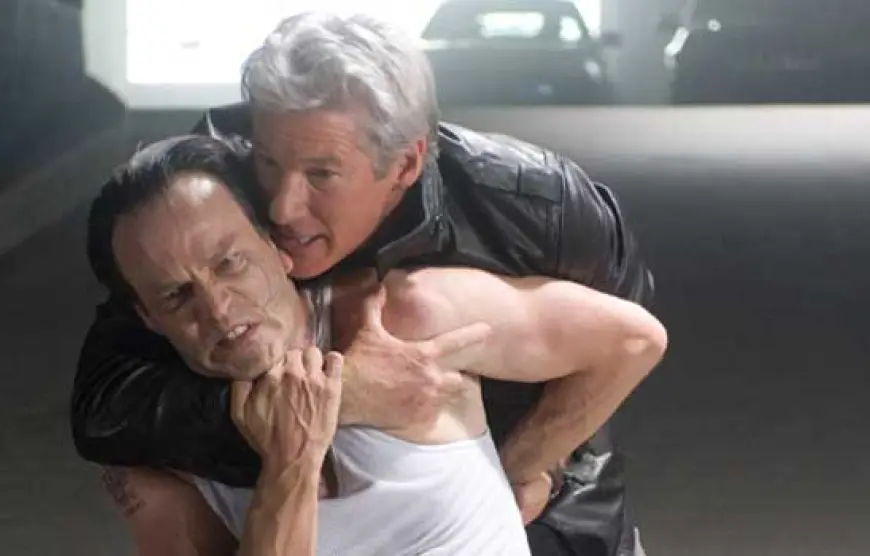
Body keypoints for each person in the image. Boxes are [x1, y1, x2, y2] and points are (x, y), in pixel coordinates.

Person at [72, 12, 656, 556]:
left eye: (321, 175)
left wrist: (527, 468)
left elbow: (626, 341)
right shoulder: (206, 189)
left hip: (555, 501)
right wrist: (338, 398)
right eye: (268, 163)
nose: (281, 205)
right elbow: (104, 407)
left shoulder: (536, 207)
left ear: (405, 165)